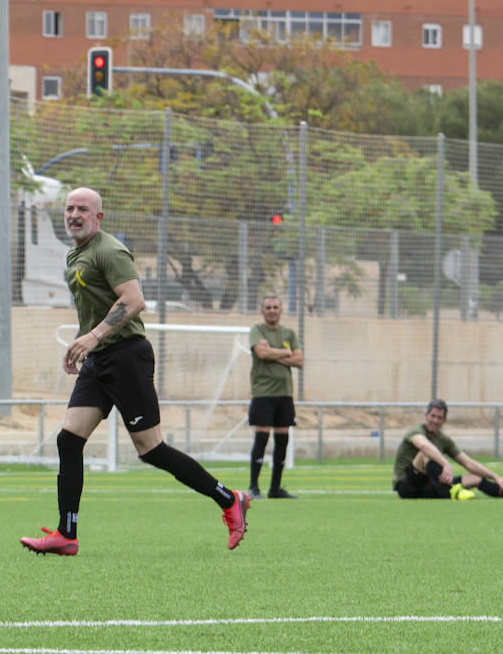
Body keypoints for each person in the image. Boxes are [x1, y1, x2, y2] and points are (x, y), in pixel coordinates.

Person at [20, 187, 251, 556]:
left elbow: (134, 300)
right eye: (69, 208)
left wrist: (93, 337)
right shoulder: (75, 254)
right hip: (98, 361)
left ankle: (229, 499)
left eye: (83, 209)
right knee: (68, 440)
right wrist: (82, 342)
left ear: (99, 216)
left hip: (127, 357)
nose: (74, 214)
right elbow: (98, 309)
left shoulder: (110, 250)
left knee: (151, 450)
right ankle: (67, 534)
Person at [247, 295, 303, 499]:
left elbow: (299, 360)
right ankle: (253, 487)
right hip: (263, 393)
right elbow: (261, 355)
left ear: (281, 310)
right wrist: (285, 354)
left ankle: (275, 489)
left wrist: (273, 351)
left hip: (285, 393)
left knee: (282, 439)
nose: (272, 310)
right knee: (262, 437)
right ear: (262, 311)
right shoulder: (257, 330)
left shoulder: (289, 333)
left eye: (275, 307)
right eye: (268, 307)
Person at [392, 399, 503, 500]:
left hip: (431, 487)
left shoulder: (443, 439)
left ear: (444, 421)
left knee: (476, 478)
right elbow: (423, 446)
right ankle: (451, 491)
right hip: (408, 486)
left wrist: (495, 477)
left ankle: (500, 491)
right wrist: (445, 464)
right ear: (426, 416)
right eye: (432, 416)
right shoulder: (416, 431)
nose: (435, 420)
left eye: (439, 418)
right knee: (425, 454)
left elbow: (468, 463)